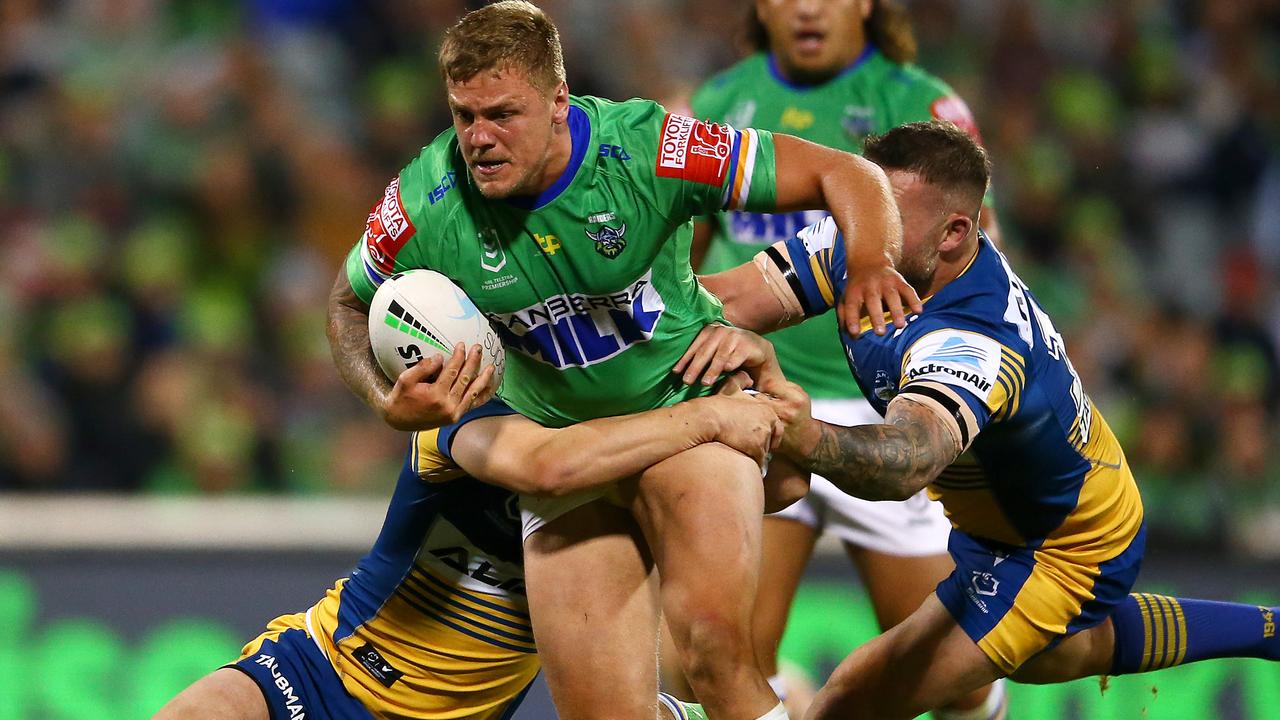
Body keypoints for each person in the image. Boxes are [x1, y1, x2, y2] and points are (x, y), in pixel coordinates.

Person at [325, 3, 916, 719]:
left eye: (503, 114)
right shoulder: (425, 200)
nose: (479, 139)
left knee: (711, 649)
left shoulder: (647, 150)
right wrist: (383, 402)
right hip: (574, 454)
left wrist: (870, 261)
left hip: (691, 411)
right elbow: (346, 306)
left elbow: (844, 172)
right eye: (463, 115)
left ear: (558, 102)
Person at [686, 120, 1280, 719]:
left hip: (1063, 544)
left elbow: (905, 463)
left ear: (954, 233)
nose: (859, 220)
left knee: (848, 702)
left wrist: (799, 432)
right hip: (1010, 511)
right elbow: (729, 301)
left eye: (882, 209)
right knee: (1054, 655)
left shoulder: (971, 340)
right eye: (855, 196)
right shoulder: (871, 239)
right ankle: (1272, 630)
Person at [153, 350, 780, 720]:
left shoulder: (645, 442)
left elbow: (783, 488)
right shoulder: (471, 418)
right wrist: (711, 416)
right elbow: (548, 466)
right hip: (318, 672)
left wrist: (765, 394)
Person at [682, 2, 1003, 716]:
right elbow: (688, 260)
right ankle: (792, 698)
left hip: (885, 414)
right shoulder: (718, 103)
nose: (805, 7)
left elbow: (979, 254)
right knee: (721, 663)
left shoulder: (920, 104)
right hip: (759, 405)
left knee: (961, 678)